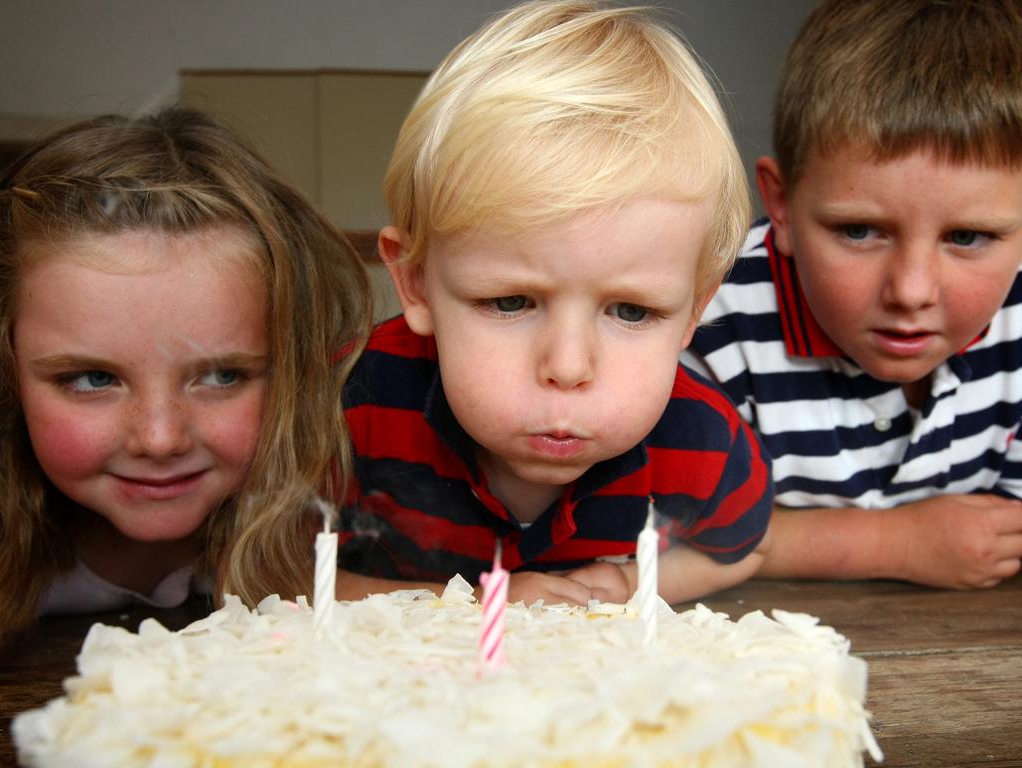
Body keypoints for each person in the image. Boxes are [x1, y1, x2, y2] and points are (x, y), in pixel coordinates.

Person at [337, 0, 773, 607]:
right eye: (511, 301)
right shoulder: (348, 407)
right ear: (415, 283)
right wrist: (464, 608)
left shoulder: (702, 444)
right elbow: (262, 571)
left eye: (631, 311)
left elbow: (741, 548)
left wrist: (629, 581)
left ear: (693, 310)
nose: (568, 367)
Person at [0, 106, 373, 643]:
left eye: (222, 376)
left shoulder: (328, 519)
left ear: (293, 373)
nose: (159, 438)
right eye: (92, 379)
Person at [684, 0, 1022, 589]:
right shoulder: (708, 321)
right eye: (859, 231)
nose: (911, 291)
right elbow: (656, 533)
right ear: (782, 205)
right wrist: (891, 544)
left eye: (967, 237)